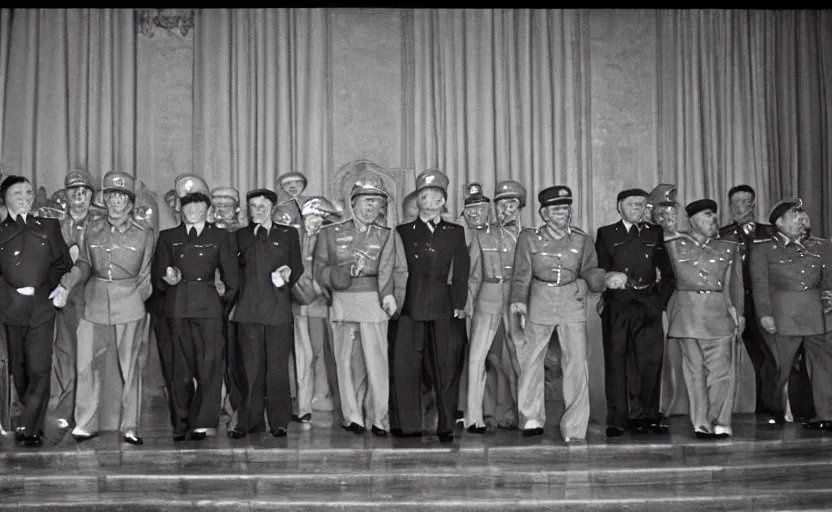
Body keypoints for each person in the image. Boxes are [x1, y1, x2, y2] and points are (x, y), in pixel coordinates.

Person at [59, 171, 156, 445]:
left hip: (130, 302)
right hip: (96, 300)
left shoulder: (143, 233)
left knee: (130, 367)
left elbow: (146, 274)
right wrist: (67, 284)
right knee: (86, 363)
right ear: (104, 199)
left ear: (130, 202)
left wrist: (136, 300)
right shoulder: (92, 228)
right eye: (111, 195)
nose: (115, 201)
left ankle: (130, 426)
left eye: (121, 196)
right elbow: (85, 264)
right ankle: (85, 423)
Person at [509, 185, 605, 443]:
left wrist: (602, 279)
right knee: (531, 361)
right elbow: (521, 275)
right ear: (544, 213)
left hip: (571, 302)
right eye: (556, 209)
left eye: (566, 208)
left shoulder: (582, 240)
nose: (562, 213)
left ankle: (575, 427)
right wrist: (518, 302)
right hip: (540, 299)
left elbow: (590, 269)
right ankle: (531, 416)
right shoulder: (529, 239)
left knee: (576, 364)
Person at [314, 177, 405, 436]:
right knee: (345, 362)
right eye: (366, 201)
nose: (370, 207)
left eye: (375, 202)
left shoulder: (387, 235)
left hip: (373, 302)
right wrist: (337, 275)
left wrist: (393, 299)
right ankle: (352, 416)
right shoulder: (330, 233)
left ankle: (378, 417)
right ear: (353, 204)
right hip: (343, 302)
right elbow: (319, 269)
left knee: (376, 363)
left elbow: (398, 271)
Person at [153, 175, 239, 441]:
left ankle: (203, 421)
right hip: (178, 307)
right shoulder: (168, 237)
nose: (192, 210)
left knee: (209, 366)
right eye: (187, 205)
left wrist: (221, 306)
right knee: (179, 368)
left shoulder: (220, 236)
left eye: (198, 205)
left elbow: (232, 279)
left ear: (207, 208)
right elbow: (158, 274)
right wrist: (167, 279)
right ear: (180, 208)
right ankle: (181, 423)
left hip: (209, 309)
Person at [391, 169, 468, 443]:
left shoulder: (454, 232)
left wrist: (460, 303)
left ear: (443, 201)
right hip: (409, 306)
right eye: (424, 195)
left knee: (446, 367)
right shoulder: (402, 232)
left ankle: (445, 425)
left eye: (436, 196)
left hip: (444, 307)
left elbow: (461, 270)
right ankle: (407, 425)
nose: (430, 200)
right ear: (417, 200)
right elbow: (394, 269)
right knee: (405, 367)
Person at [596, 188, 675, 437]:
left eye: (641, 205)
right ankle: (618, 418)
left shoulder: (654, 233)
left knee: (650, 363)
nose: (636, 209)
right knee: (616, 363)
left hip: (647, 304)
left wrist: (658, 301)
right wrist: (608, 285)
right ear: (619, 206)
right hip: (618, 305)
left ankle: (648, 416)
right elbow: (599, 271)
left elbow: (669, 273)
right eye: (631, 204)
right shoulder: (607, 233)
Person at [0, 176, 72, 447]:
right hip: (11, 309)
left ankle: (30, 427)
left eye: (28, 191)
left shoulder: (50, 227)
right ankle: (28, 421)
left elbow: (62, 263)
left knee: (41, 368)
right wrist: (12, 291)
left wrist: (46, 288)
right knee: (20, 370)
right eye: (17, 192)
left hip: (41, 307)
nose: (24, 196)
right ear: (5, 197)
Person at [751, 198, 832, 432]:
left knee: (824, 367)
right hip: (783, 315)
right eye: (794, 216)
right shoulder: (763, 249)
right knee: (780, 367)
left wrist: (828, 298)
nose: (800, 220)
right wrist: (764, 314)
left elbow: (828, 280)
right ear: (779, 222)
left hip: (819, 313)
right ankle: (778, 412)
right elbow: (760, 284)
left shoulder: (823, 247)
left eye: (801, 214)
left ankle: (826, 414)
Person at [228, 188, 302, 439]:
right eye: (253, 206)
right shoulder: (239, 236)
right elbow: (232, 273)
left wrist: (288, 275)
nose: (257, 210)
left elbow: (298, 267)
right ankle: (249, 421)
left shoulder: (289, 234)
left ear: (272, 207)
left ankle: (279, 422)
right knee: (250, 370)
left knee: (277, 370)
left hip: (278, 311)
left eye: (262, 206)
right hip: (248, 312)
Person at [665, 199, 743, 438]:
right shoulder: (674, 244)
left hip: (717, 314)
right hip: (686, 315)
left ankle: (720, 420)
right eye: (707, 215)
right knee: (694, 372)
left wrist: (739, 314)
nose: (714, 219)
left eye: (714, 215)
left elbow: (737, 284)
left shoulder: (728, 247)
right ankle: (701, 423)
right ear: (691, 220)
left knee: (721, 372)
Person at [465, 180, 526, 433]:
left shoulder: (528, 236)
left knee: (520, 357)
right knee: (477, 357)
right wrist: (467, 304)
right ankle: (474, 417)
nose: (506, 209)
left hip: (515, 297)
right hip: (488, 295)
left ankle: (526, 415)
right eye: (502, 204)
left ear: (519, 207)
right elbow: (474, 275)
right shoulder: (482, 234)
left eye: (511, 203)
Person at [46, 169, 102, 437]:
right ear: (65, 194)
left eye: (84, 189)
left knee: (89, 359)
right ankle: (65, 411)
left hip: (95, 297)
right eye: (73, 189)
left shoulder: (102, 222)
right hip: (65, 299)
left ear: (92, 194)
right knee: (65, 354)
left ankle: (87, 416)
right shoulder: (55, 224)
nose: (79, 194)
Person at [717, 185, 781, 417]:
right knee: (737, 359)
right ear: (729, 205)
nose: (740, 207)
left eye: (745, 202)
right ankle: (726, 410)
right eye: (735, 203)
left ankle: (771, 408)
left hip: (766, 303)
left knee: (771, 356)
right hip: (736, 303)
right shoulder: (722, 235)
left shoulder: (771, 232)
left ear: (754, 204)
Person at [292, 196, 341, 423]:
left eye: (319, 218)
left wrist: (322, 289)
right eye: (309, 217)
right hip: (303, 307)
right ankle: (303, 407)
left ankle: (338, 403)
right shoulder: (296, 240)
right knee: (305, 358)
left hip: (328, 306)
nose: (313, 222)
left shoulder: (333, 241)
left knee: (334, 357)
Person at [210, 186, 245, 432]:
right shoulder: (206, 232)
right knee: (212, 355)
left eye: (227, 205)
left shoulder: (243, 234)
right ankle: (215, 402)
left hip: (238, 300)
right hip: (209, 301)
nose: (222, 210)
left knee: (236, 356)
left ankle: (235, 405)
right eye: (218, 205)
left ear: (237, 208)